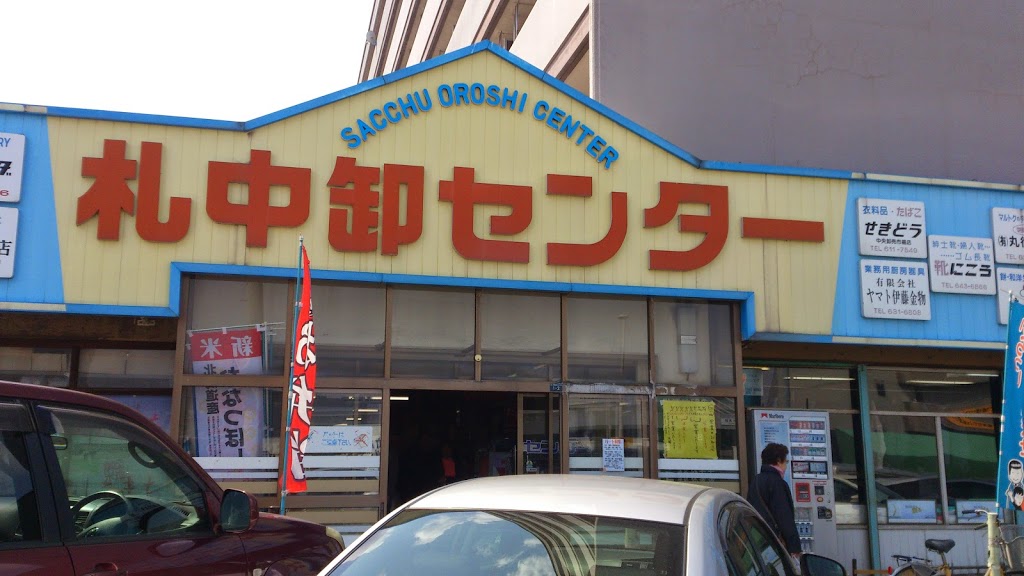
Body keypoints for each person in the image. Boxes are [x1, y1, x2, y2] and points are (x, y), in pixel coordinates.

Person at [747, 442, 802, 560]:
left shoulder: (756, 481)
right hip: (774, 540)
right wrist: (794, 547)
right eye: (785, 462)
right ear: (778, 460)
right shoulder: (777, 483)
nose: (786, 466)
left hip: (758, 538)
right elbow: (784, 516)